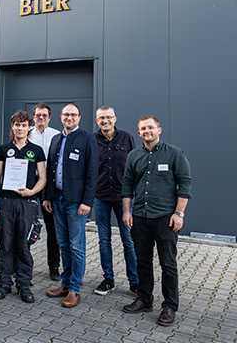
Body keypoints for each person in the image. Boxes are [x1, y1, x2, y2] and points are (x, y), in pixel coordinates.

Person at [121, 115, 191, 326]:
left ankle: (169, 306)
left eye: (150, 127)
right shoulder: (133, 155)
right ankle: (144, 299)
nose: (147, 131)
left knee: (168, 263)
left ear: (159, 130)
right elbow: (127, 185)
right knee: (142, 261)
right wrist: (127, 211)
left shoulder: (175, 153)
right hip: (140, 217)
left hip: (165, 219)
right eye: (143, 129)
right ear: (138, 132)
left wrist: (179, 214)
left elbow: (185, 184)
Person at [43, 103, 98, 308]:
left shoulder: (87, 138)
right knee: (63, 244)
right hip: (57, 200)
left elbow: (93, 172)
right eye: (66, 114)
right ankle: (65, 284)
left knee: (76, 246)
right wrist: (47, 197)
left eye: (73, 114)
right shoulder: (56, 139)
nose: (69, 117)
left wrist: (87, 201)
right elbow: (50, 169)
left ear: (79, 117)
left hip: (76, 203)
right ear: (61, 116)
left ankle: (75, 289)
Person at [0, 111, 46, 303]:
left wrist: (32, 192)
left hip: (26, 204)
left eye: (23, 125)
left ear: (29, 127)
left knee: (23, 245)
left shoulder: (36, 150)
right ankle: (4, 283)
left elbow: (43, 178)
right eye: (17, 125)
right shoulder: (3, 149)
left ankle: (23, 284)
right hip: (5, 202)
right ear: (12, 127)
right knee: (5, 244)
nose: (20, 128)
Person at [92, 105, 138, 296]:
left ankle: (135, 282)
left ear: (114, 119)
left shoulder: (126, 138)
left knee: (129, 239)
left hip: (123, 198)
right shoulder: (92, 140)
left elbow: (135, 166)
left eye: (108, 117)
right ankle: (108, 279)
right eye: (101, 118)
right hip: (101, 196)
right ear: (97, 121)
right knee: (104, 240)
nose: (105, 121)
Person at [28, 103, 61, 281]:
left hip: (49, 184)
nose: (41, 118)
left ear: (49, 118)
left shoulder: (57, 135)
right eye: (38, 115)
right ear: (33, 117)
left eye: (44, 115)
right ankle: (23, 264)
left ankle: (54, 266)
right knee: (26, 224)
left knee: (52, 227)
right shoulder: (27, 133)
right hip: (30, 182)